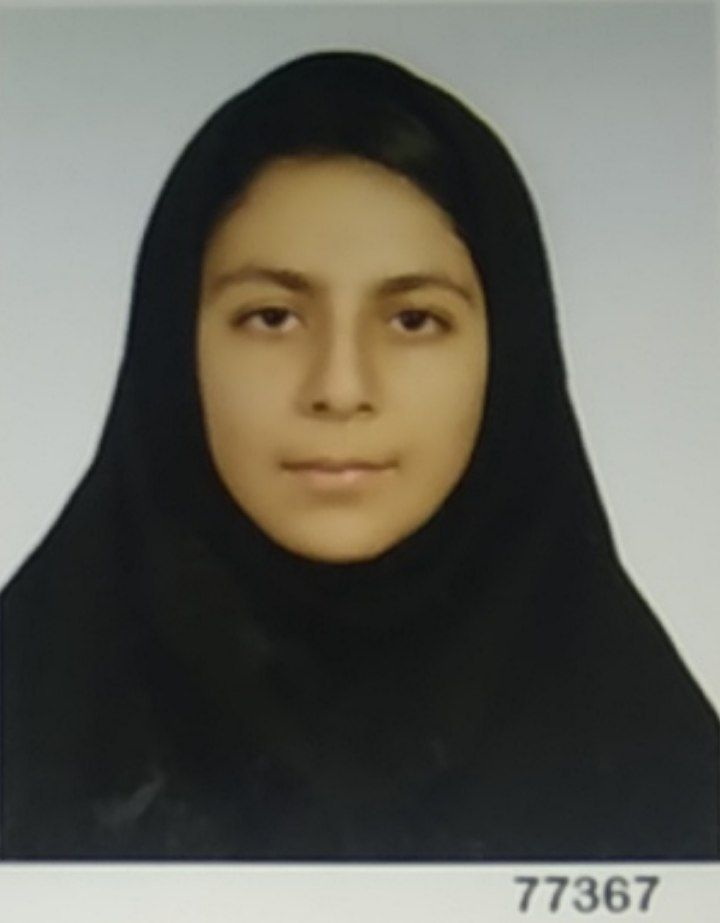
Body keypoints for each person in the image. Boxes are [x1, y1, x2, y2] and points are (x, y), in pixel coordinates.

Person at [1, 51, 717, 861]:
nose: (340, 388)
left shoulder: (653, 766)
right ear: (173, 347)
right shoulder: (26, 716)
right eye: (272, 316)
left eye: (413, 320)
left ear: (510, 356)